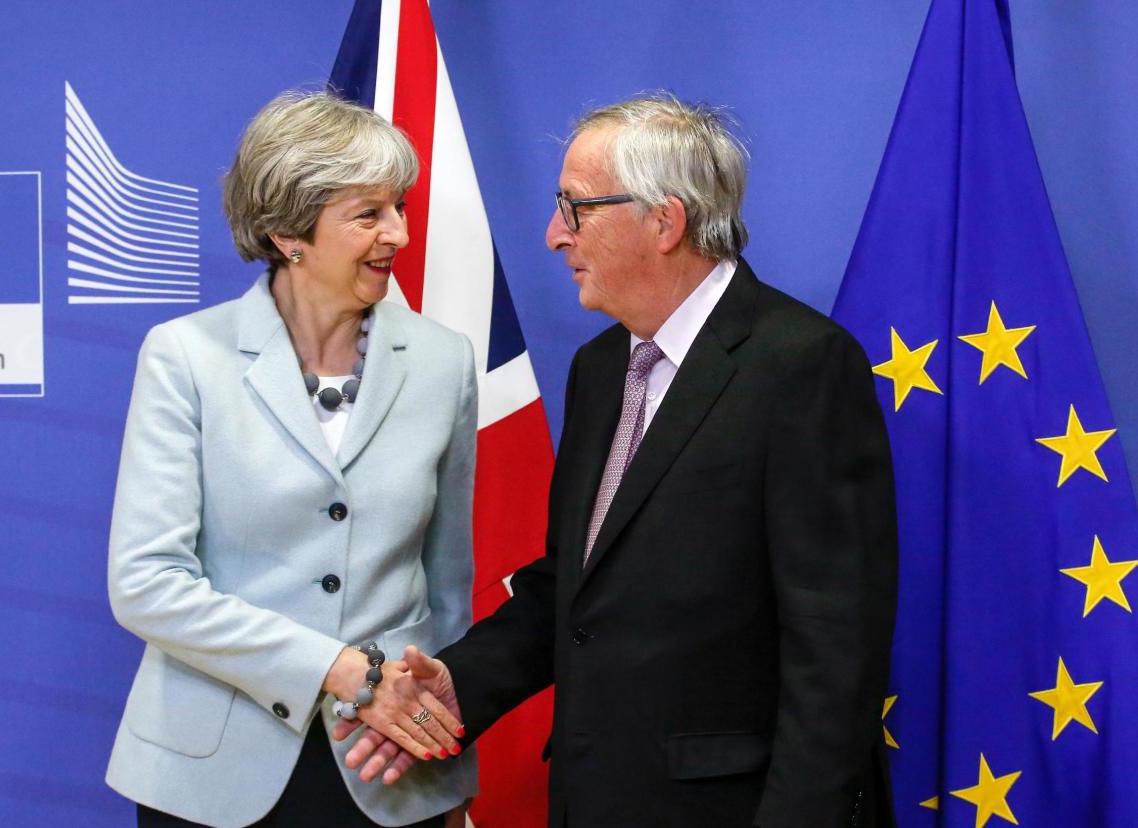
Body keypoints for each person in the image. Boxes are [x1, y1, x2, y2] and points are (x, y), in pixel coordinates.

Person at [338, 94, 899, 827]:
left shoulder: (801, 367)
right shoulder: (602, 368)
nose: (552, 236)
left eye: (574, 209)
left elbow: (836, 650)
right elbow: (574, 586)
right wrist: (460, 685)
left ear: (664, 221)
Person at [104, 91, 477, 828]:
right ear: (286, 233)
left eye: (397, 206)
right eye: (368, 214)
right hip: (210, 772)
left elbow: (448, 590)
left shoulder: (445, 362)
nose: (397, 233)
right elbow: (146, 583)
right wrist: (337, 670)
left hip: (390, 767)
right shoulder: (185, 357)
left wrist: (446, 757)